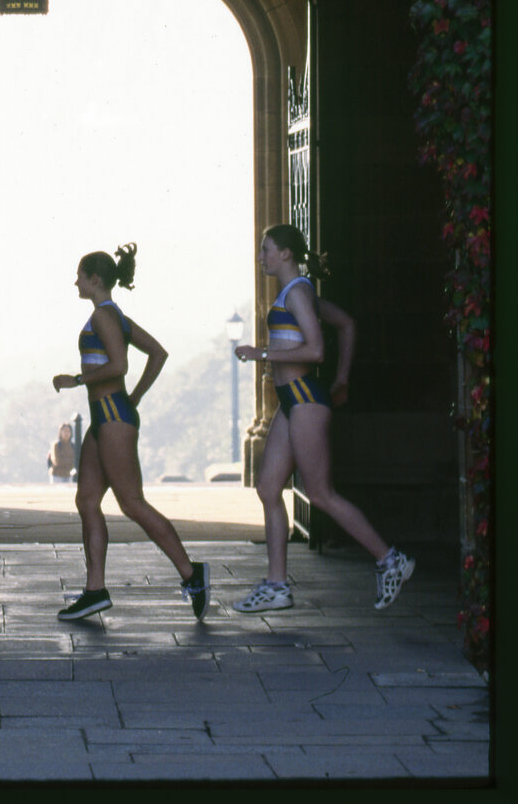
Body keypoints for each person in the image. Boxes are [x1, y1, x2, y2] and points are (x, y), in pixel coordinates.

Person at [232, 224, 415, 613]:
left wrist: (261, 354)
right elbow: (347, 323)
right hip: (292, 400)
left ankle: (391, 559)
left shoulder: (297, 292)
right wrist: (343, 379)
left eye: (266, 249)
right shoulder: (298, 293)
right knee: (268, 489)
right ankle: (277, 586)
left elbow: (315, 350)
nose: (261, 256)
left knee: (320, 494)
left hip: (305, 400)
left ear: (284, 254)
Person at [51, 242, 210, 620]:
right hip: (107, 416)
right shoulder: (114, 315)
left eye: (79, 276)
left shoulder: (105, 316)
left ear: (94, 279)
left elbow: (119, 365)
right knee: (87, 501)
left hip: (112, 418)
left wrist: (77, 379)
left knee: (131, 503)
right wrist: (134, 398)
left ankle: (192, 573)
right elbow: (157, 353)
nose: (75, 282)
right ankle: (95, 590)